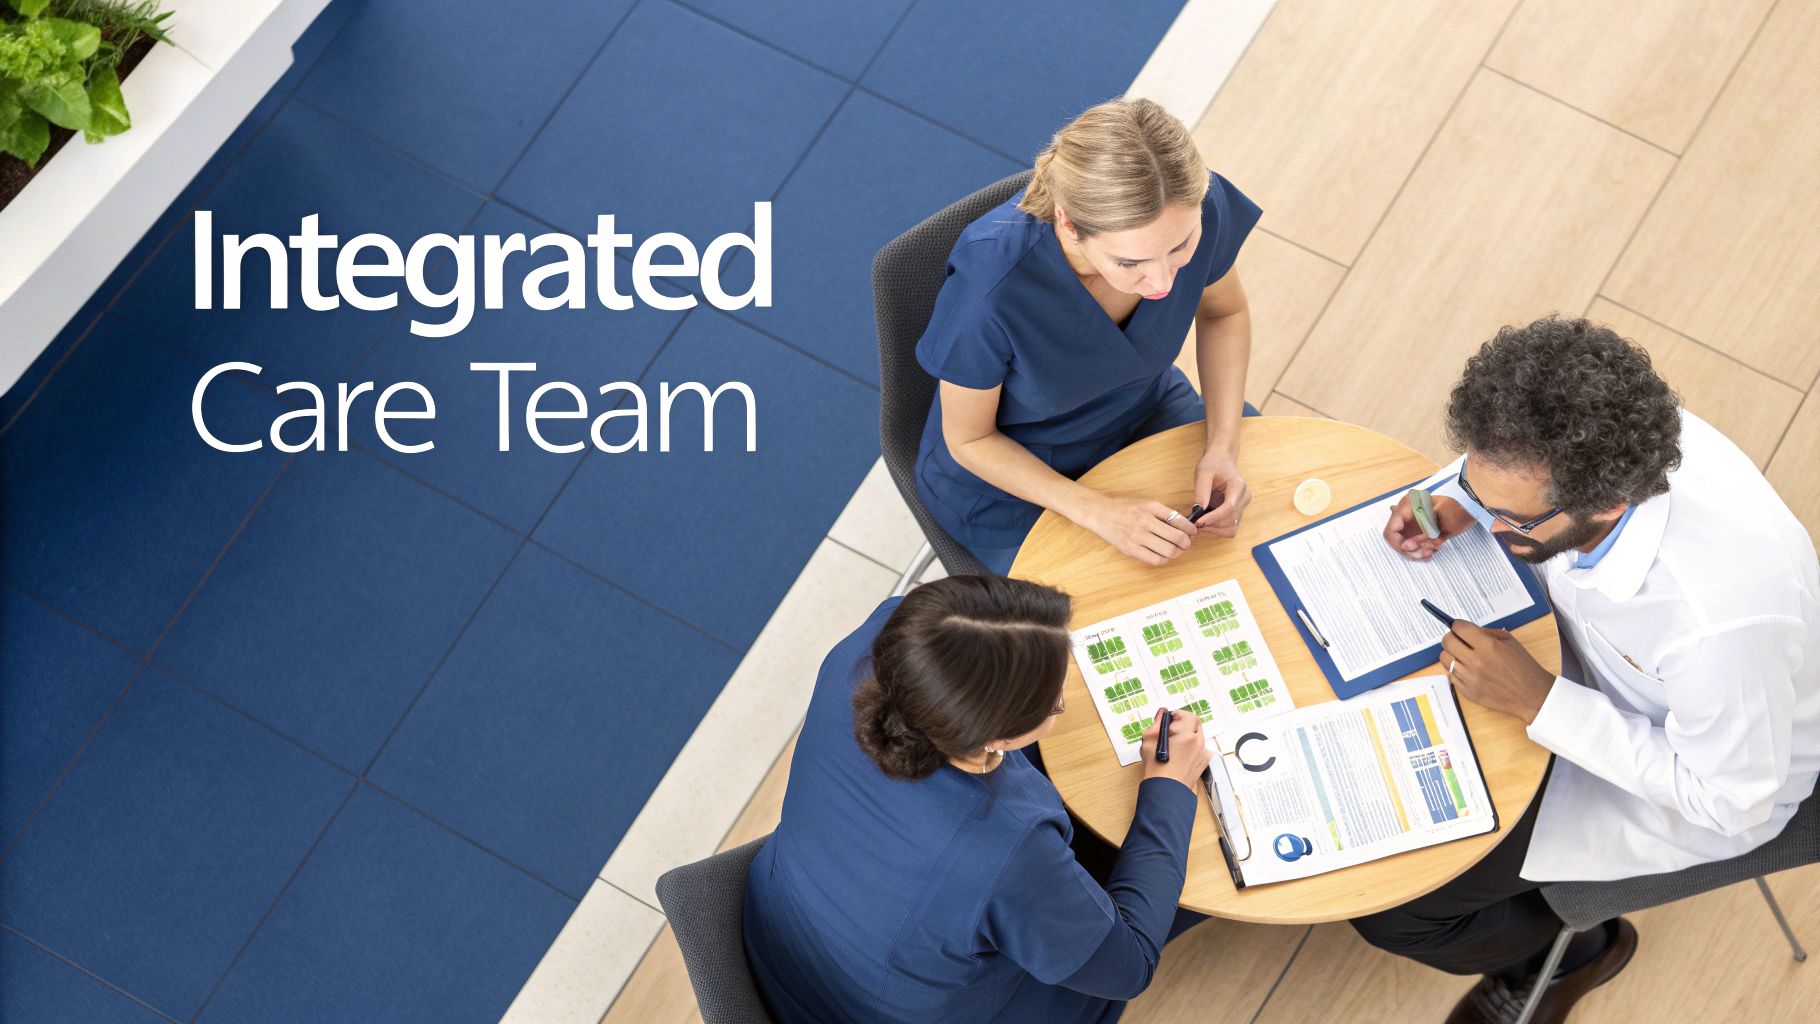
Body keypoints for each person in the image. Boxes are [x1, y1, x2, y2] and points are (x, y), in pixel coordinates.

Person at [1356, 316, 1820, 1023]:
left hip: (1683, 770)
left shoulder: (1721, 623)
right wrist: (1454, 498)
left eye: (1508, 517)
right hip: (1579, 662)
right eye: (1479, 485)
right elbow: (1509, 482)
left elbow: (1732, 802)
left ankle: (1575, 955)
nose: (1488, 519)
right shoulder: (1608, 434)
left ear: (1606, 503)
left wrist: (1541, 701)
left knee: (1397, 911)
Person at [743, 575, 1211, 1023]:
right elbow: (1127, 969)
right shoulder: (1007, 848)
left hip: (792, 934)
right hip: (882, 1010)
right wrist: (1168, 785)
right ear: (994, 736)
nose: (1060, 701)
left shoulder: (878, 642)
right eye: (1054, 704)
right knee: (1196, 877)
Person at [913, 98, 1262, 575]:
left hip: (1145, 411)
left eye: (1181, 247)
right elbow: (970, 440)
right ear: (1068, 224)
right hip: (1016, 479)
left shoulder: (1194, 205)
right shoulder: (991, 288)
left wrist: (1222, 445)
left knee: (1261, 528)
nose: (1163, 282)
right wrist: (1099, 512)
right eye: (1130, 262)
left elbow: (1224, 314)